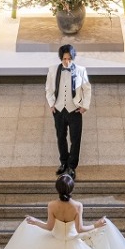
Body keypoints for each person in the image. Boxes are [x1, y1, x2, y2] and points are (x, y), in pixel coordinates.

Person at [46, 42, 90, 177]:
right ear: (61, 58)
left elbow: (87, 89)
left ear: (73, 58)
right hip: (59, 110)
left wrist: (84, 106)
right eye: (64, 59)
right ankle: (63, 162)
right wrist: (52, 104)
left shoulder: (81, 70)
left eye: (69, 59)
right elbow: (48, 88)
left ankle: (72, 166)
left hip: (75, 110)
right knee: (60, 137)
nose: (67, 61)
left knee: (75, 139)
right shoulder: (53, 70)